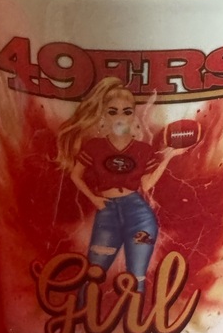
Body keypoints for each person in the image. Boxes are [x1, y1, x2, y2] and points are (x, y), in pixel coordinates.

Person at [56, 77, 186, 311]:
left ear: (133, 116)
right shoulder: (94, 147)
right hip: (108, 213)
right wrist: (94, 198)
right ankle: (79, 317)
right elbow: (76, 175)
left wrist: (168, 158)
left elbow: (146, 184)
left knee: (136, 276)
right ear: (104, 116)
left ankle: (134, 326)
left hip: (139, 215)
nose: (120, 117)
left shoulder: (143, 150)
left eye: (126, 112)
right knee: (94, 272)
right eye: (112, 111)